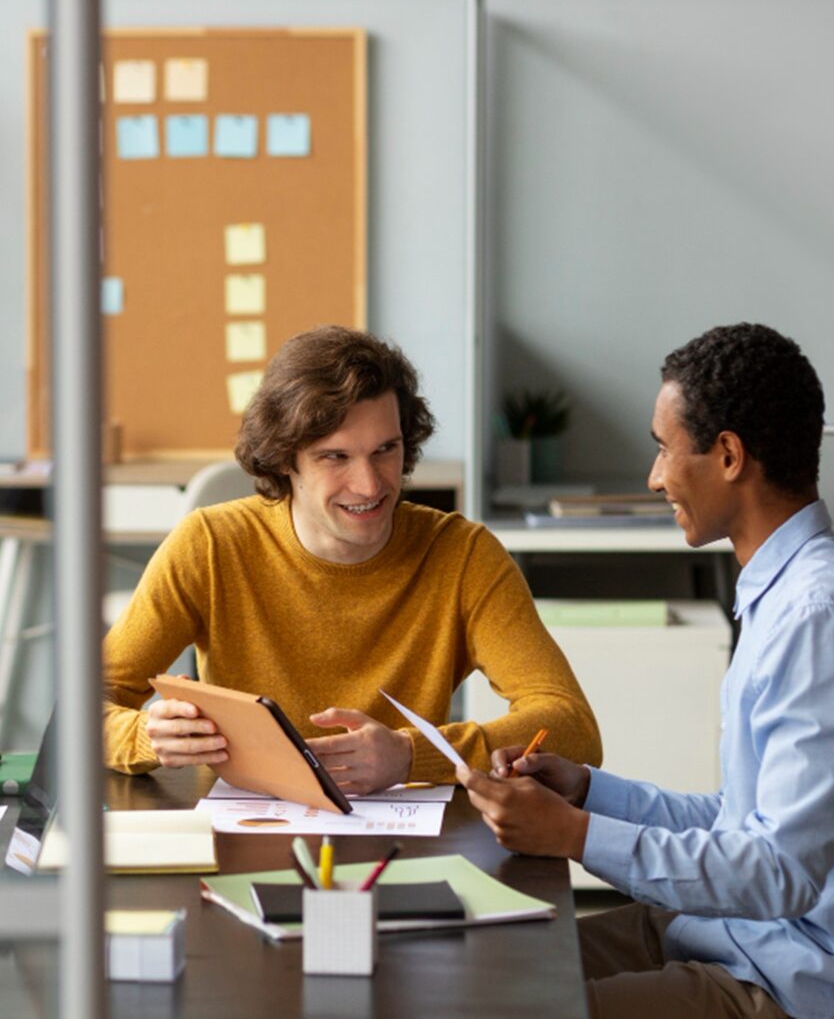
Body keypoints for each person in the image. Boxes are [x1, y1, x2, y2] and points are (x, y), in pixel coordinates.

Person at [459, 323, 834, 1019]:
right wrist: (587, 794)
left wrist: (572, 836)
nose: (655, 476)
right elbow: (738, 821)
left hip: (798, 983)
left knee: (518, 1005)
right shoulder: (788, 594)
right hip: (743, 938)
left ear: (729, 456)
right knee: (490, 969)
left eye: (663, 448)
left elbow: (778, 872)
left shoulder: (824, 617)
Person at [103, 325, 601, 793]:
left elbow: (571, 725)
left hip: (404, 837)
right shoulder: (210, 545)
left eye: (386, 449)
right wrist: (148, 734)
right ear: (284, 459)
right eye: (335, 457)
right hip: (246, 831)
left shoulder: (463, 556)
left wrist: (411, 753)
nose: (370, 485)